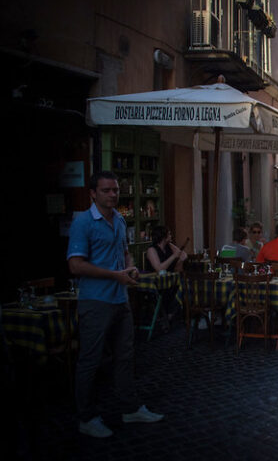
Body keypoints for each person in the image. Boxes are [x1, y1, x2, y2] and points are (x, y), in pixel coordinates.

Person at [67, 171, 163, 438]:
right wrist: (114, 275)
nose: (112, 194)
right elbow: (75, 265)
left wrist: (130, 268)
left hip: (121, 298)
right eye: (107, 190)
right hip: (95, 300)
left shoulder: (120, 220)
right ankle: (86, 417)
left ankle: (129, 408)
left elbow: (123, 253)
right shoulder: (83, 222)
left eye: (115, 190)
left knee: (125, 356)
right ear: (93, 193)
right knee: (91, 360)